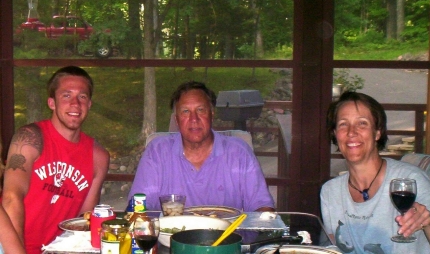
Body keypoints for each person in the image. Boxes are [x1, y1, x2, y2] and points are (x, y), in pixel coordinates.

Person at [321, 91, 430, 254]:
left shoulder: (410, 179)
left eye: (362, 123)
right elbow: (333, 249)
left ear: (377, 132)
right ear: (335, 134)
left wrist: (429, 222)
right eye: (343, 124)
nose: (351, 132)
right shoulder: (330, 192)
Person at [1, 66, 110, 254]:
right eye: (66, 95)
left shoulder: (99, 157)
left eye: (82, 97)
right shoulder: (30, 138)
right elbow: (11, 198)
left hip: (56, 250)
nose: (75, 103)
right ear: (51, 102)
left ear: (89, 104)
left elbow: (83, 221)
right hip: (9, 245)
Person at [129, 81, 275, 212]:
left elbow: (261, 205)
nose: (194, 119)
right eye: (185, 111)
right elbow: (139, 205)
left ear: (211, 114)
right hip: (170, 240)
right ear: (177, 119)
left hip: (226, 238)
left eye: (200, 110)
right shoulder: (158, 151)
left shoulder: (238, 152)